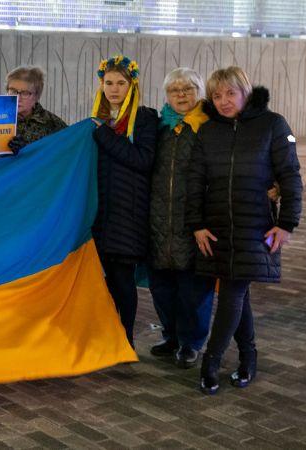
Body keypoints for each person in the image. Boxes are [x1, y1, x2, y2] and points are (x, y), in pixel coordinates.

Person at [186, 67, 302, 395]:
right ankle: (248, 357)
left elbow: (290, 175)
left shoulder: (272, 125)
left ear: (245, 92)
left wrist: (287, 223)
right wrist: (197, 224)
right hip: (218, 225)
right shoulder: (208, 132)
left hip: (257, 224)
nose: (223, 101)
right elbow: (194, 180)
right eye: (217, 95)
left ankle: (211, 360)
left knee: (233, 290)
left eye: (230, 93)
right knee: (238, 293)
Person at [89, 55, 158, 348]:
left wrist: (103, 135)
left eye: (121, 83)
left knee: (123, 280)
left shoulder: (144, 118)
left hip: (128, 214)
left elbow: (142, 160)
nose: (114, 89)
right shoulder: (99, 120)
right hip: (103, 213)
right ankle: (109, 334)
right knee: (106, 281)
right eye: (109, 83)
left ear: (132, 85)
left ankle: (125, 338)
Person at [148, 68, 215, 368]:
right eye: (175, 90)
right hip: (160, 220)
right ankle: (171, 335)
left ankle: (192, 342)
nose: (181, 95)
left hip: (193, 222)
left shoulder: (209, 128)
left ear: (199, 92)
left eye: (188, 89)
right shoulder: (159, 128)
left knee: (193, 288)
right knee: (162, 286)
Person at [5, 65, 67, 153]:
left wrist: (27, 149)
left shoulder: (51, 123)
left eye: (25, 93)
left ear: (37, 96)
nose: (18, 97)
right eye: (13, 91)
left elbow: (67, 150)